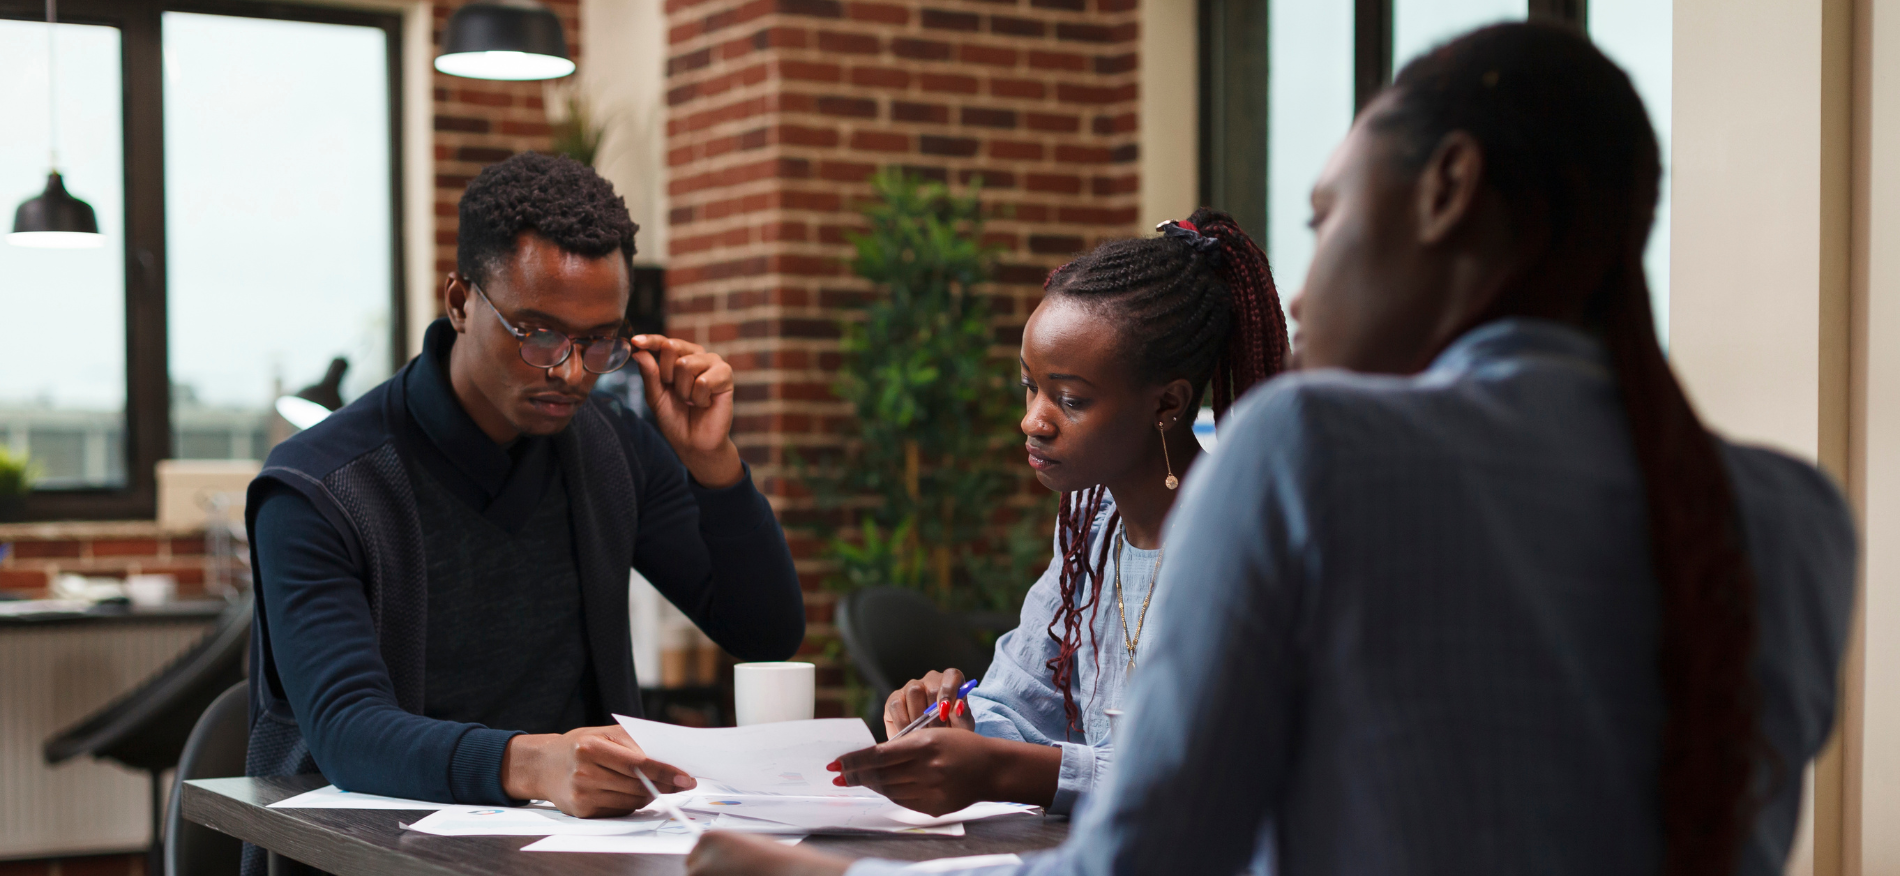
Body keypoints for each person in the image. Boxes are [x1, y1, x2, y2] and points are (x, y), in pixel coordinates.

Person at [684, 22, 1858, 876]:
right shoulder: (1795, 512)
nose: (1299, 285)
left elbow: (1155, 857)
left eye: (1325, 219)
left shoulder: (1305, 447)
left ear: (1446, 191)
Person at [242, 153, 806, 865]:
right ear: (459, 301)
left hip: (577, 853)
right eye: (537, 333)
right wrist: (536, 765)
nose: (570, 371)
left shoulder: (611, 447)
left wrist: (713, 468)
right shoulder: (320, 485)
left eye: (599, 340)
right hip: (366, 856)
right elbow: (348, 732)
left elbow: (765, 631)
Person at [822, 209, 1290, 822]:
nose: (1033, 421)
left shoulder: (1246, 545)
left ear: (1168, 403)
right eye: (1029, 386)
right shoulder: (1092, 527)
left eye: (1069, 399)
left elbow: (1211, 772)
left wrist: (1004, 768)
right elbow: (1020, 703)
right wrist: (960, 723)